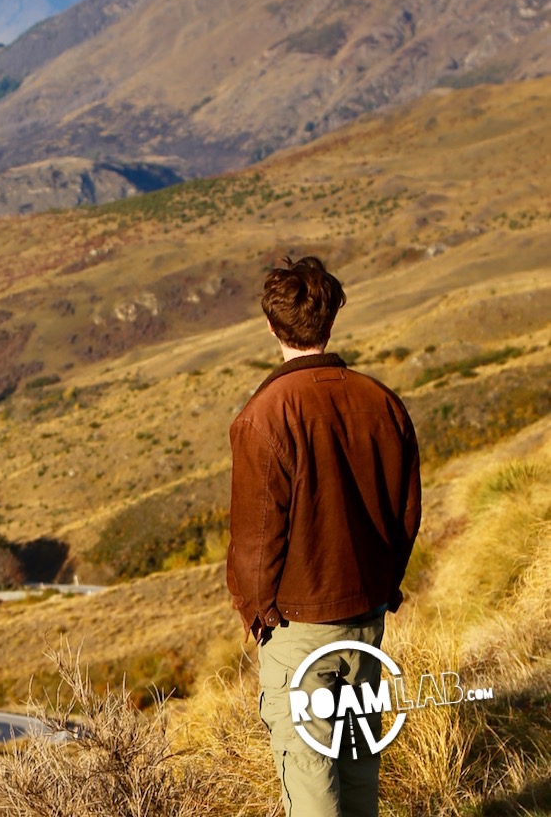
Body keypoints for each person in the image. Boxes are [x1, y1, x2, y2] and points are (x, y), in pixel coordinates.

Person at [227, 256, 421, 817]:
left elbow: (255, 540)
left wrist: (255, 610)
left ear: (271, 326)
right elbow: (406, 512)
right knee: (360, 765)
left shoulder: (265, 416)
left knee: (310, 776)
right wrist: (386, 584)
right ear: (331, 319)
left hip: (296, 626)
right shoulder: (381, 402)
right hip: (366, 614)